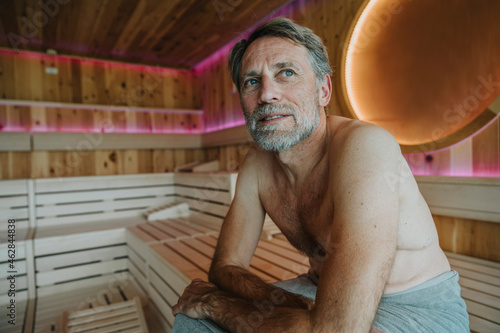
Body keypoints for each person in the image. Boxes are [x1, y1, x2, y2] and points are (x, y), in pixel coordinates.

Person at [172, 17, 469, 332]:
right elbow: (225, 267)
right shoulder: (257, 164)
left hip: (415, 306)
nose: (267, 94)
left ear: (323, 90)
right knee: (192, 324)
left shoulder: (364, 146)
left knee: (208, 309)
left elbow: (338, 330)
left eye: (286, 73)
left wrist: (216, 304)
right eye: (252, 81)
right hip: (320, 292)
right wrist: (297, 306)